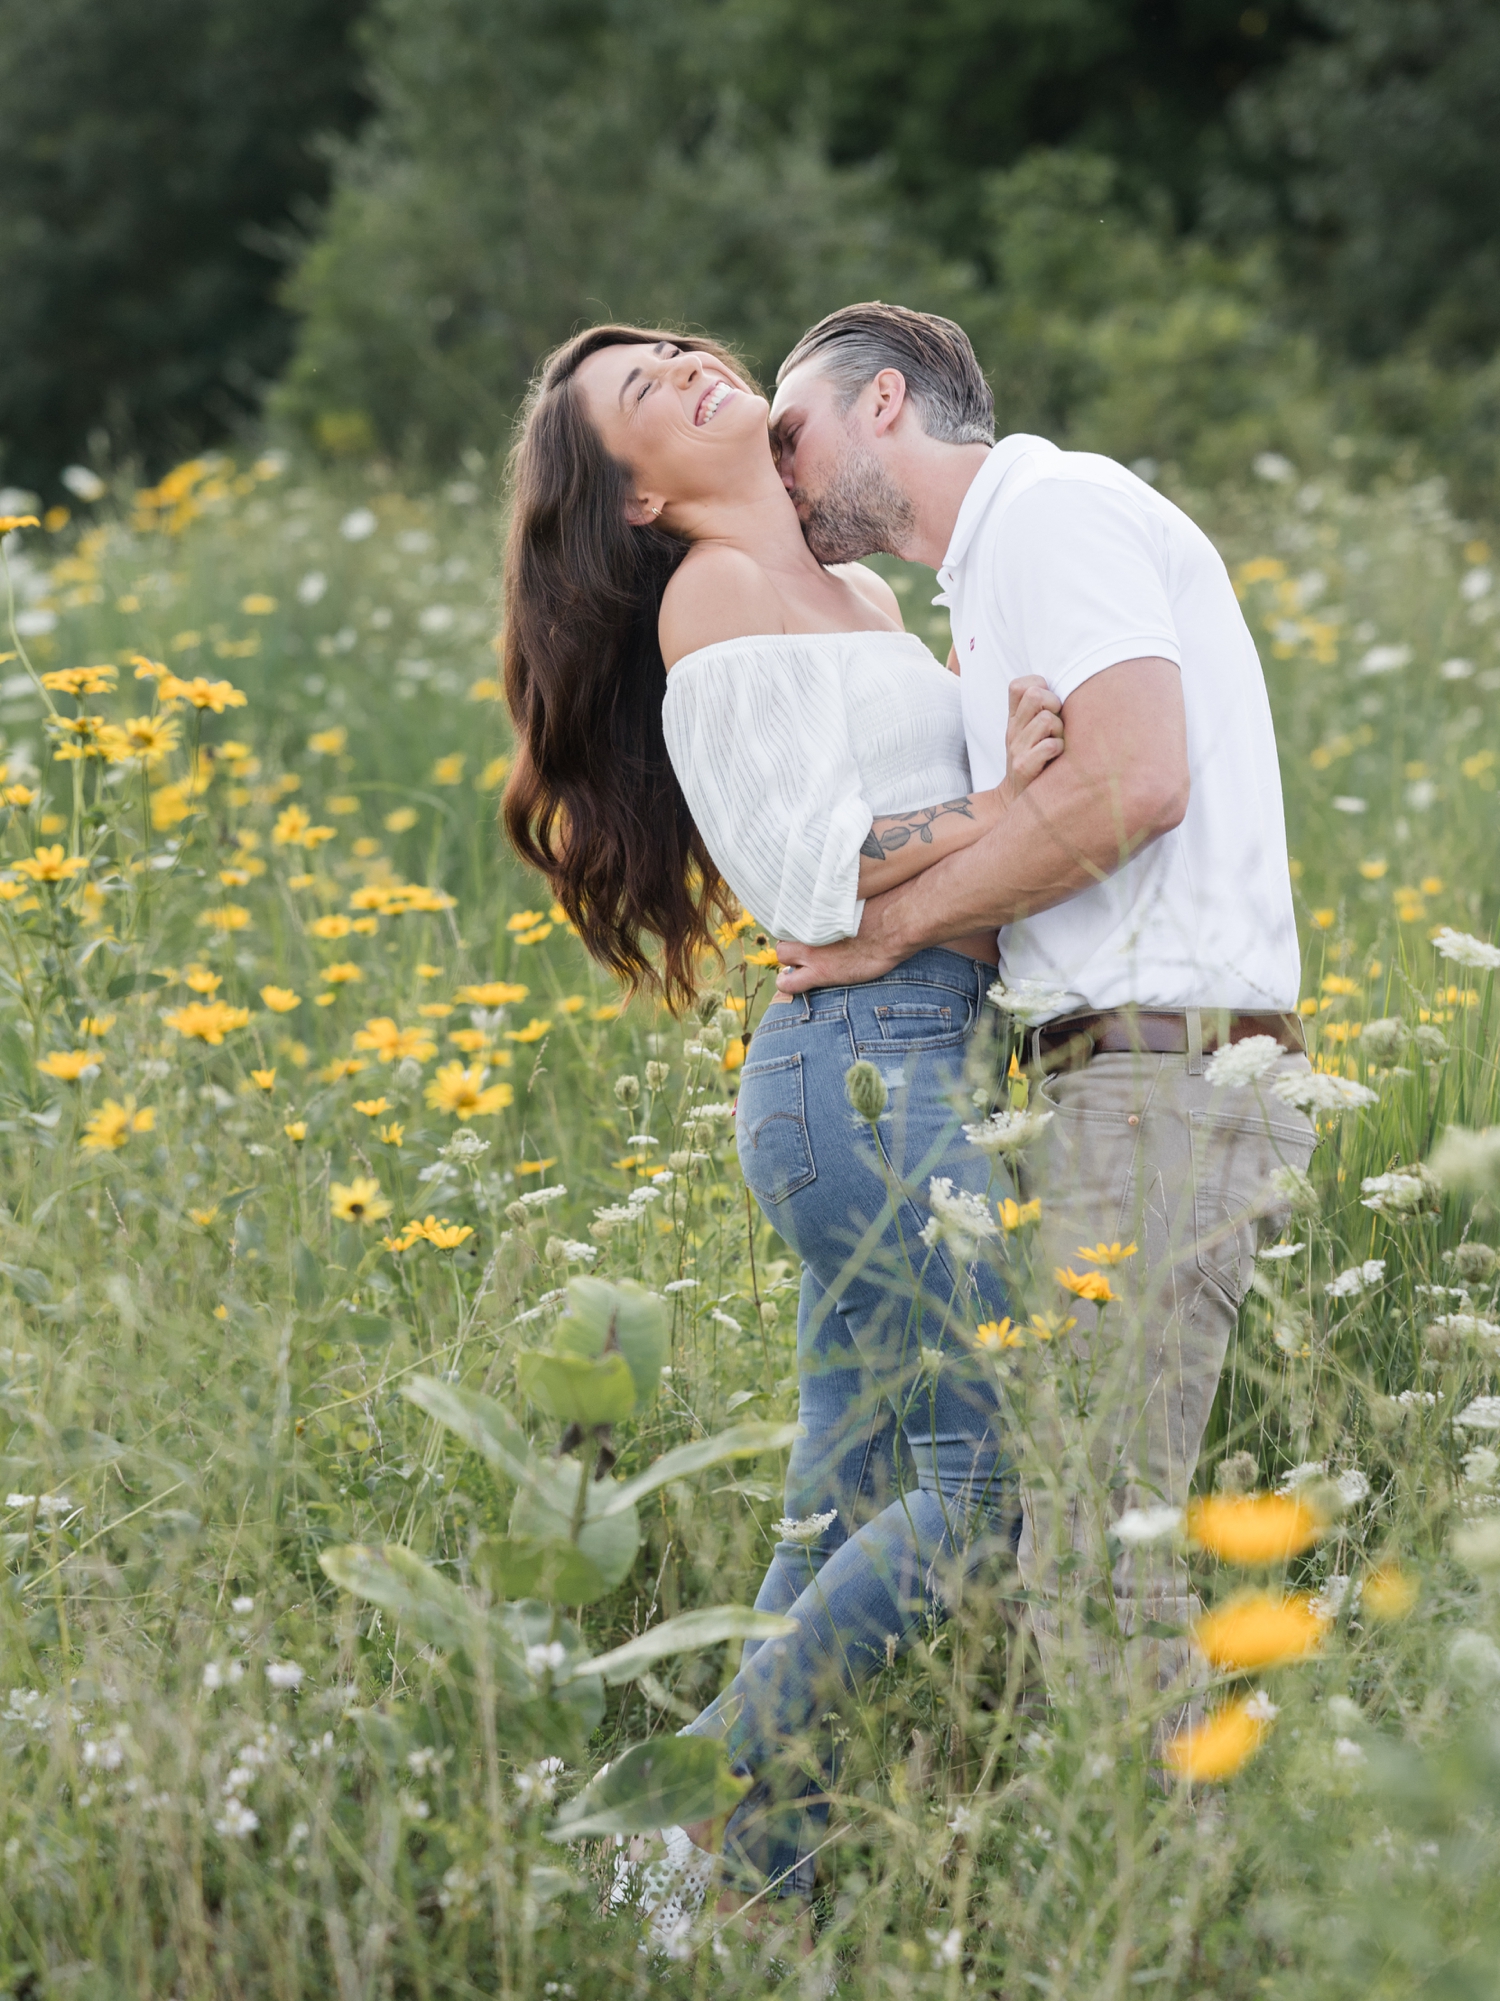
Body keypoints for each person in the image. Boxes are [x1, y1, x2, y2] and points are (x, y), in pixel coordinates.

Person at [499, 324, 1062, 1933]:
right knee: (983, 1489)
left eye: (676, 345)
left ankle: (741, 1887)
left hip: (917, 1058)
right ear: (635, 505)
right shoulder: (715, 599)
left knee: (838, 1509)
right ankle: (662, 1826)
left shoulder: (866, 595)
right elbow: (812, 873)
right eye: (637, 393)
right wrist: (1004, 802)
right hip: (859, 1076)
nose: (681, 361)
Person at [767, 302, 1318, 1714]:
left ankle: (1170, 1918)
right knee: (1076, 1539)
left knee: (1090, 1552)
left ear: (884, 401)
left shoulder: (1050, 507)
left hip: (1163, 1074)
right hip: (1119, 1079)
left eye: (792, 432)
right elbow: (1046, 818)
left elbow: (1134, 782)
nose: (779, 472)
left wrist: (884, 926)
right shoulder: (990, 578)